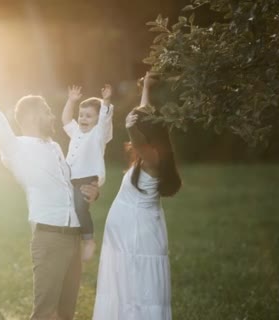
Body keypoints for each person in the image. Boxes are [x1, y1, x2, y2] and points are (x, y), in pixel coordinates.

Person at [0, 54, 99, 320]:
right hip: (49, 238)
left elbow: (71, 187)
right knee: (44, 313)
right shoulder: (15, 148)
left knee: (65, 314)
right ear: (32, 115)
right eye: (48, 111)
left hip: (73, 237)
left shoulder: (56, 147)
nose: (52, 116)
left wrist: (94, 192)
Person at [93, 72, 182, 320]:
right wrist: (146, 87)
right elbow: (143, 116)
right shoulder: (152, 153)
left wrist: (132, 122)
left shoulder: (153, 158)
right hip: (127, 235)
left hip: (137, 237)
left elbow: (135, 128)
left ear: (149, 135)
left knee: (138, 291)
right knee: (126, 289)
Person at [61, 84, 114, 261]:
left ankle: (89, 240)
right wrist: (71, 101)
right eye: (81, 115)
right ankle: (72, 241)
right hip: (71, 178)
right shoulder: (76, 132)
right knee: (71, 208)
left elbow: (105, 119)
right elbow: (66, 120)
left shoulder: (98, 134)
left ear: (98, 119)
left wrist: (106, 101)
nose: (83, 119)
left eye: (89, 116)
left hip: (87, 177)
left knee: (80, 207)